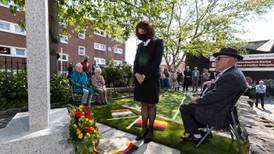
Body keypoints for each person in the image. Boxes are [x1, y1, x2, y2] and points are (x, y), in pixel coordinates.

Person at [180, 47, 247, 142]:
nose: (215, 61)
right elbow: (223, 89)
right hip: (222, 108)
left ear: (230, 60)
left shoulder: (231, 76)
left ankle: (196, 136)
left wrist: (197, 100)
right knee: (191, 105)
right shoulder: (232, 72)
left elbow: (215, 96)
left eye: (218, 58)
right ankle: (204, 130)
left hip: (219, 113)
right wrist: (212, 82)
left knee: (184, 107)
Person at [133, 20, 164, 143]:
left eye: (143, 30)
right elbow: (136, 61)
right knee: (143, 105)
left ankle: (151, 130)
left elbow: (156, 61)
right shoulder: (140, 46)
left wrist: (144, 75)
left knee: (151, 104)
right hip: (139, 79)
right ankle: (143, 129)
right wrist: (136, 74)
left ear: (148, 30)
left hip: (150, 78)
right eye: (139, 31)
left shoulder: (158, 42)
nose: (141, 33)